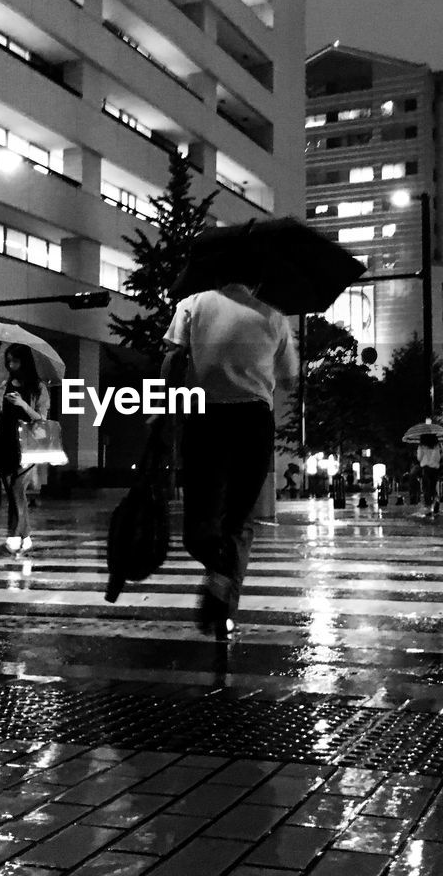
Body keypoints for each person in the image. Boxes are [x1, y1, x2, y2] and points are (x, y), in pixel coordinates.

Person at [164, 269, 297, 641]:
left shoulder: (191, 305)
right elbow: (289, 378)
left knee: (199, 521)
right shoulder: (274, 317)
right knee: (238, 518)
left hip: (205, 417)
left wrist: (164, 408)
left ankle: (218, 575)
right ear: (254, 280)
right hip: (254, 419)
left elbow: (171, 360)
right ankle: (224, 599)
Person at [0, 343, 50, 553]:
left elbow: (42, 419)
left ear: (24, 361)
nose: (11, 365)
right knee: (11, 492)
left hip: (27, 444)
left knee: (18, 490)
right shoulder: (4, 385)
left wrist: (23, 405)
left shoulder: (38, 387)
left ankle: (19, 536)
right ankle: (21, 536)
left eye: (15, 361)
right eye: (8, 361)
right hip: (5, 440)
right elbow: (2, 416)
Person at [416, 434, 443, 514]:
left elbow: (419, 458)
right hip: (435, 469)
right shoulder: (437, 446)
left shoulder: (421, 446)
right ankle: (436, 499)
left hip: (426, 468)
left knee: (426, 488)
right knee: (433, 487)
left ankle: (428, 507)